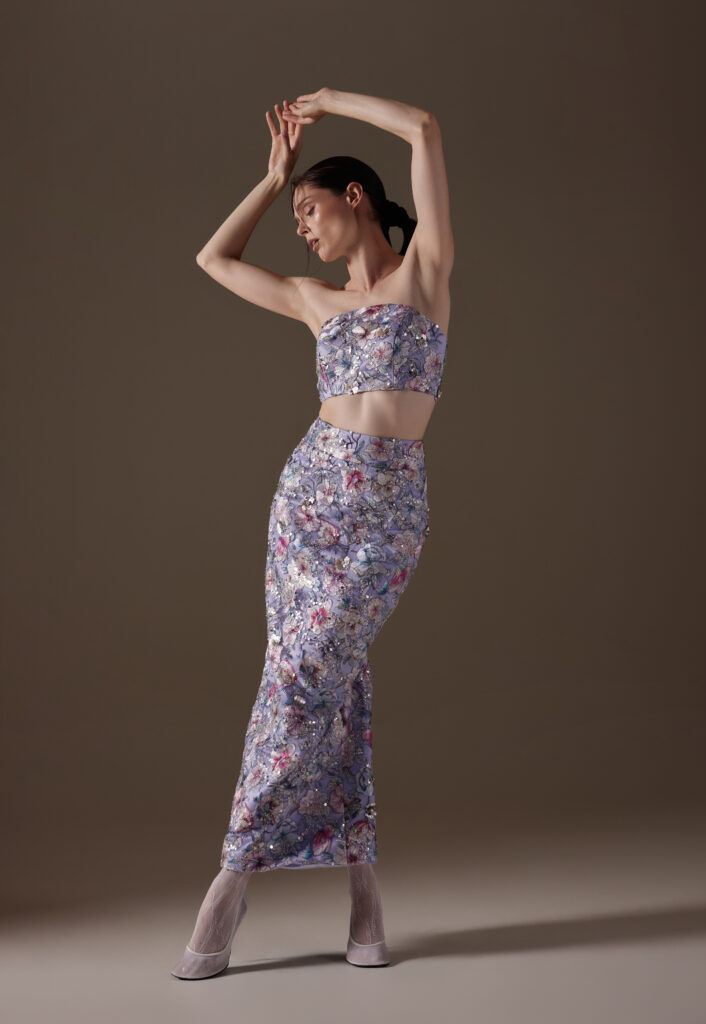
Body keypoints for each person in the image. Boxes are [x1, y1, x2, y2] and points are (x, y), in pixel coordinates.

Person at [172, 87, 454, 980]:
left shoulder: (425, 274)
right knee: (323, 686)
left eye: (307, 209)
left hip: (386, 515)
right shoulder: (314, 302)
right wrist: (272, 178)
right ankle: (362, 893)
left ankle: (232, 874)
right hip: (307, 504)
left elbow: (423, 129)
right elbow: (213, 258)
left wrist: (330, 100)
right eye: (293, 215)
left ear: (355, 197)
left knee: (303, 683)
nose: (300, 227)